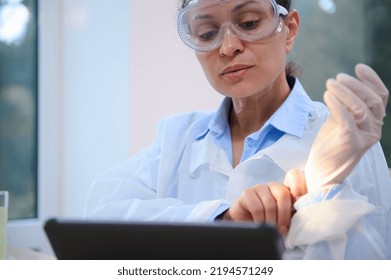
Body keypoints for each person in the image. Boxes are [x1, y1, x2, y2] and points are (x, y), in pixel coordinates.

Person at [84, 0, 391, 259]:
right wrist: (224, 217)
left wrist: (323, 192)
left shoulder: (344, 138)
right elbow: (99, 220)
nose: (228, 47)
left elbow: (372, 259)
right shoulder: (177, 139)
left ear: (289, 30)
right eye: (207, 33)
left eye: (248, 23)